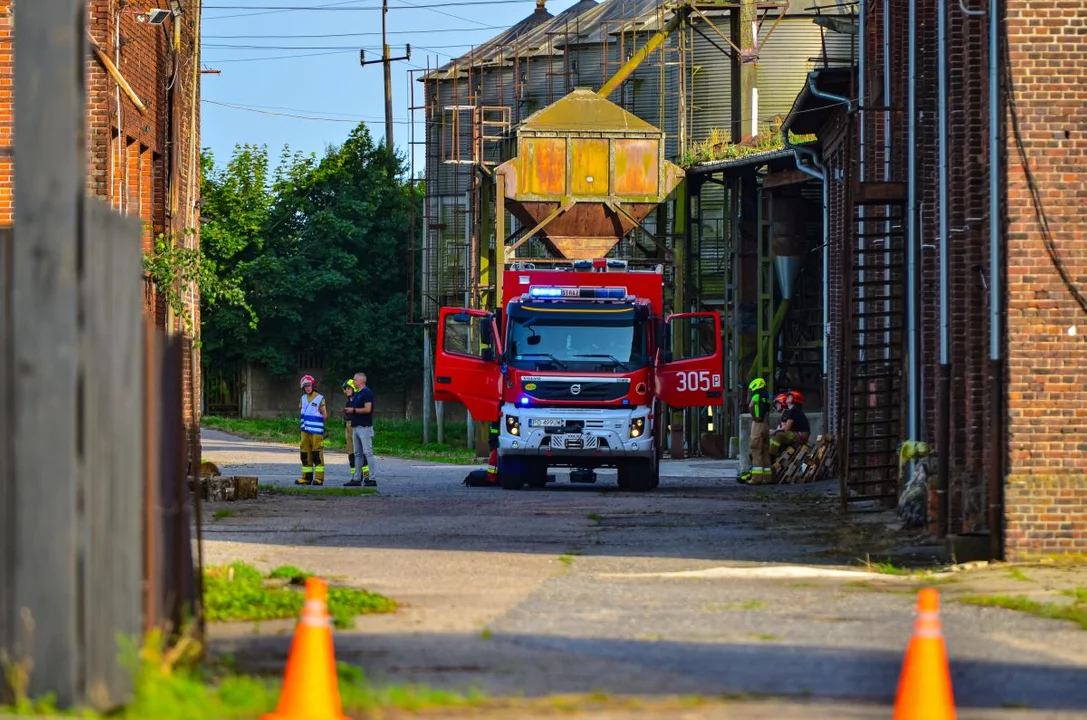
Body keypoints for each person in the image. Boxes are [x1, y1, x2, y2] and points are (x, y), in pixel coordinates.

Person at [346, 372, 376, 487]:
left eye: (355, 379)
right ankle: (357, 478)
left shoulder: (367, 393)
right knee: (357, 453)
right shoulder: (358, 393)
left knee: (367, 452)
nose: (353, 381)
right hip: (356, 426)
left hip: (364, 427)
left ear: (362, 380)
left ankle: (372, 478)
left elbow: (368, 409)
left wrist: (352, 411)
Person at [740, 377, 772, 484]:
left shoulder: (756, 396)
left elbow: (750, 405)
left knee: (756, 450)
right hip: (766, 425)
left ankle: (756, 478)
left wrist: (754, 416)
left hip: (758, 424)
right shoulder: (767, 397)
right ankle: (768, 478)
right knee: (765, 450)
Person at [298, 375, 328, 486]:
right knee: (305, 454)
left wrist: (318, 426)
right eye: (305, 386)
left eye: (309, 385)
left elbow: (325, 414)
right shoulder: (302, 398)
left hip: (316, 432)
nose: (307, 388)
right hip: (304, 431)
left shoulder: (319, 398)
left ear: (313, 385)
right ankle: (306, 478)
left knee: (317, 454)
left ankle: (319, 478)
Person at [770, 389, 812, 458]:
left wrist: (774, 431)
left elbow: (786, 429)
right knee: (777, 434)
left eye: (789, 397)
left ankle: (772, 456)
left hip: (801, 436)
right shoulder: (791, 411)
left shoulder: (794, 411)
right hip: (796, 434)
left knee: (778, 434)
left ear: (795, 399)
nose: (787, 398)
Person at [342, 379, 360, 484]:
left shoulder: (357, 400)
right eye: (345, 389)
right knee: (350, 452)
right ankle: (354, 476)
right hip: (348, 426)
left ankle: (365, 476)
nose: (346, 390)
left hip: (355, 426)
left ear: (354, 388)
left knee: (358, 452)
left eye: (349, 388)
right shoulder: (349, 401)